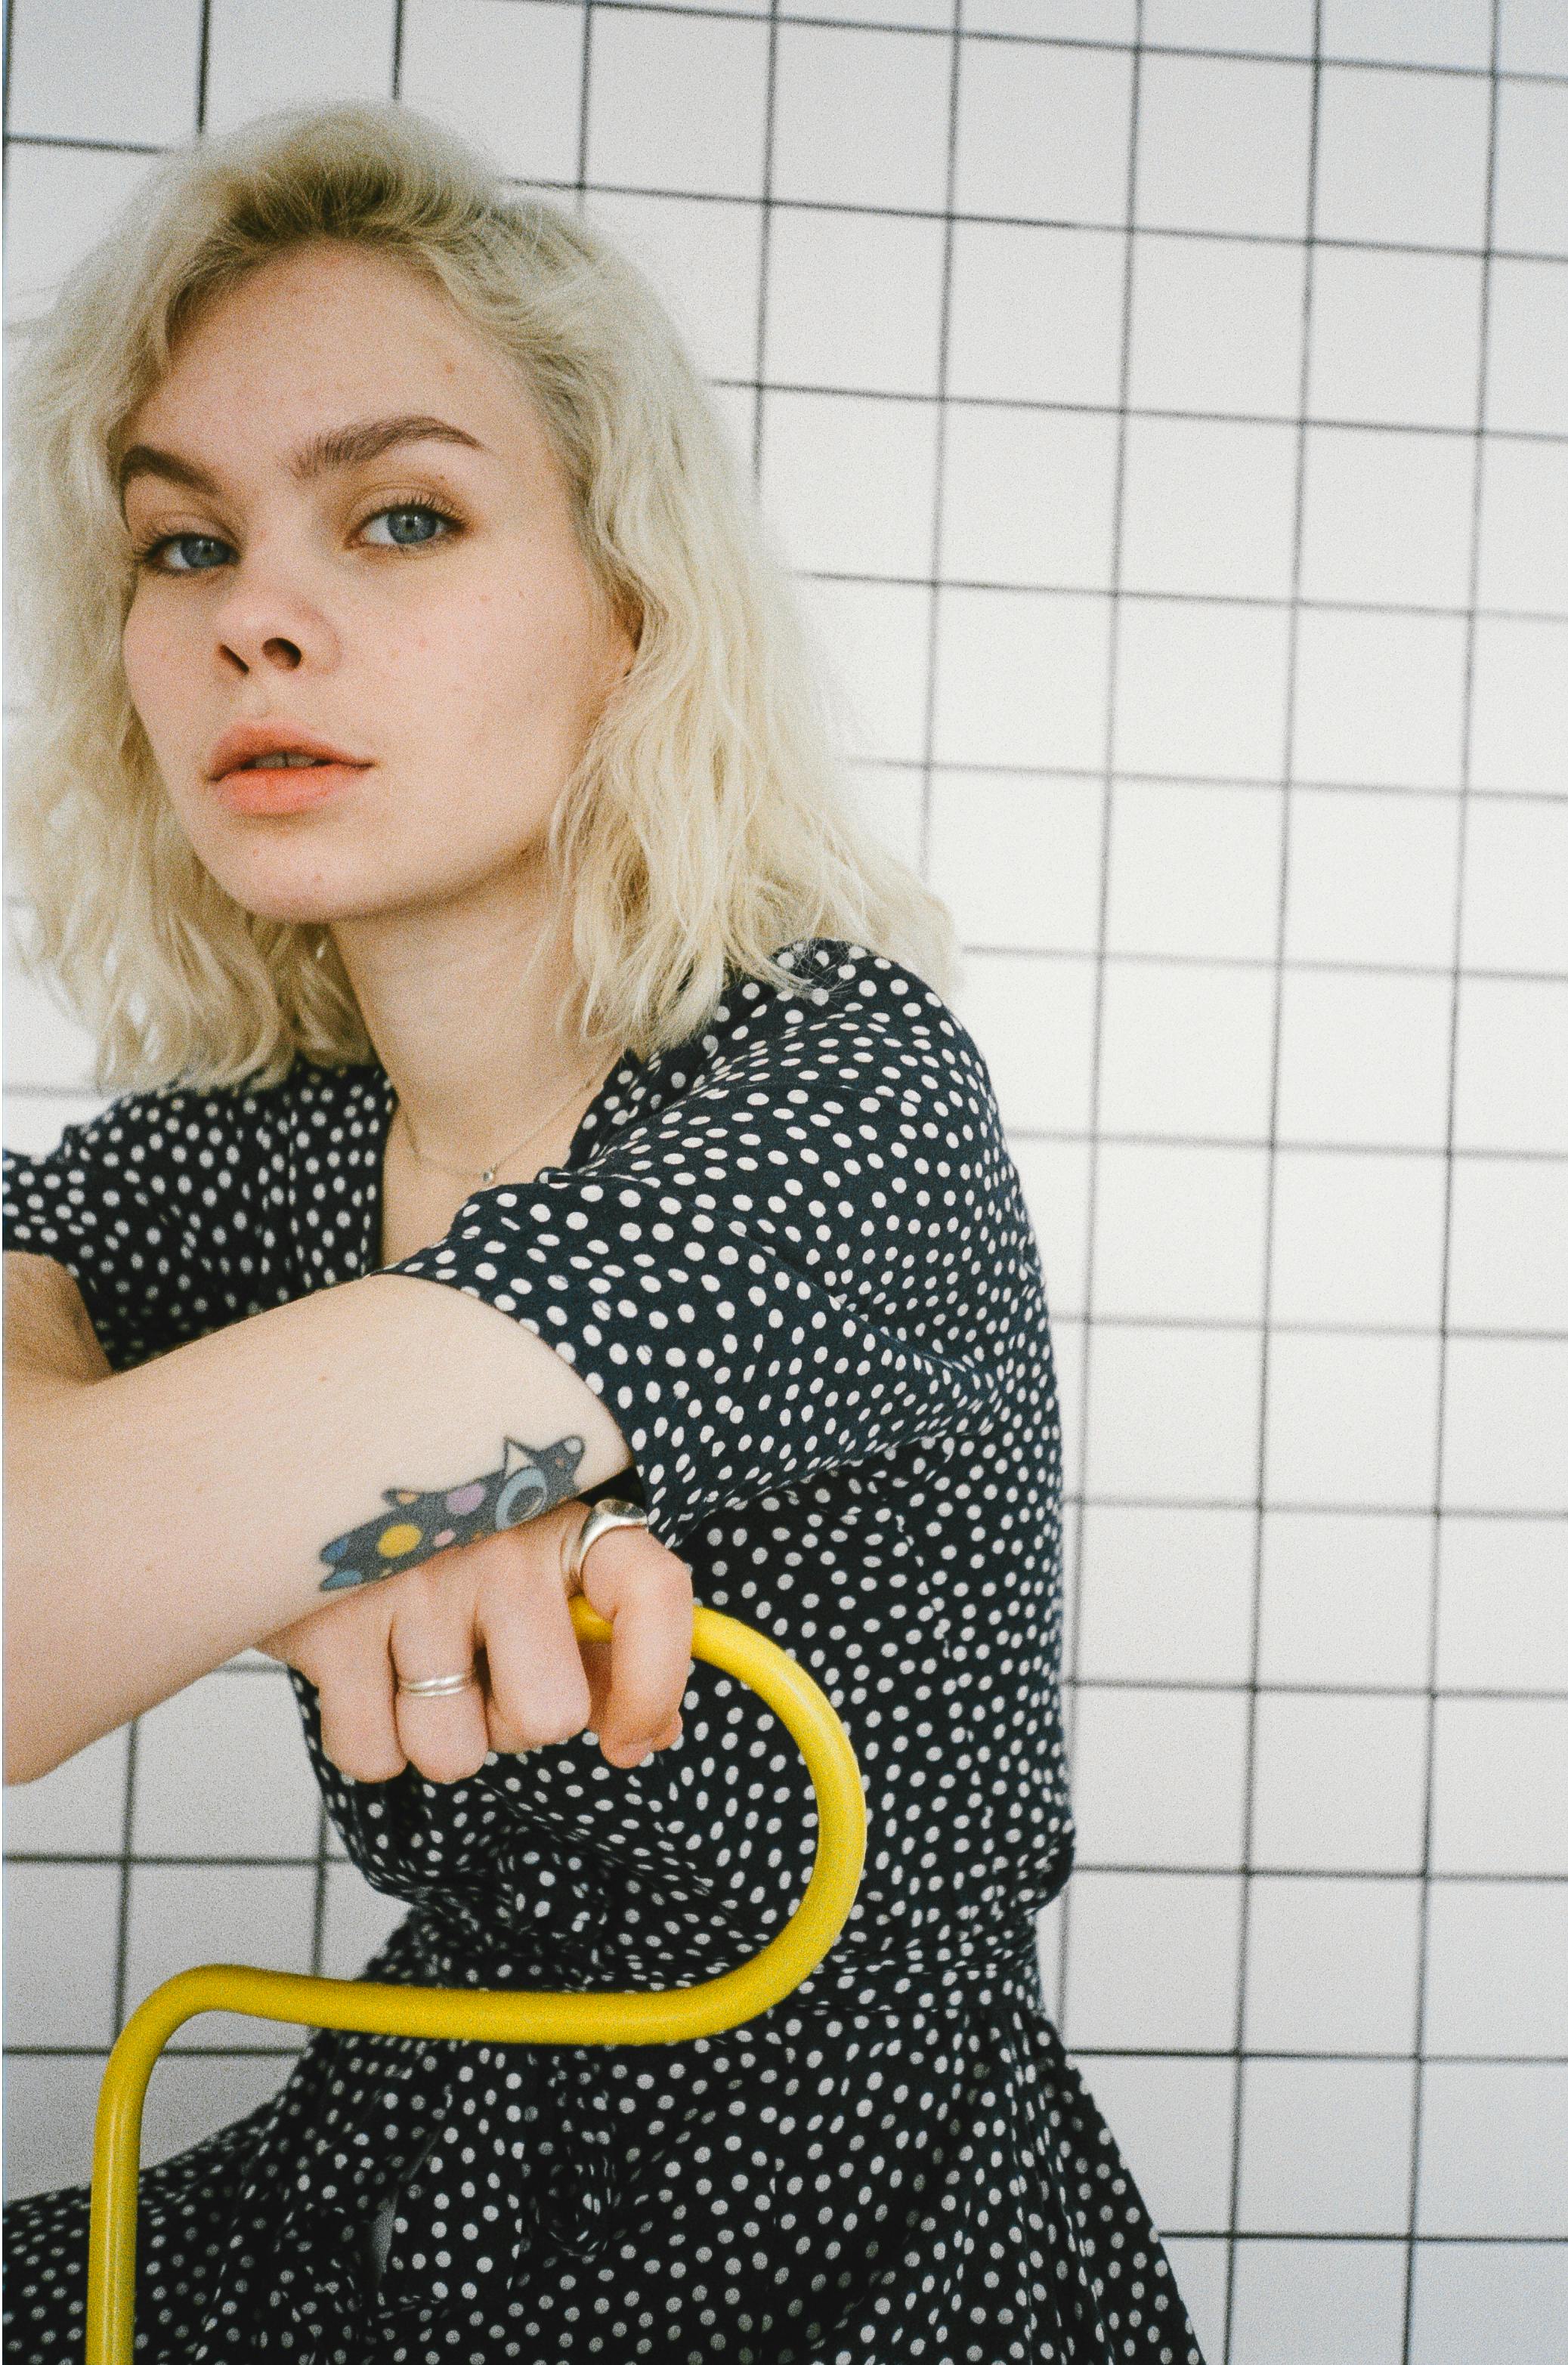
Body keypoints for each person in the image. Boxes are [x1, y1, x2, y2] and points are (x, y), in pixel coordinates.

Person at [1, 100, 1205, 2365]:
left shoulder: (830, 1108)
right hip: (412, 2196)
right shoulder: (279, 1159)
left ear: (627, 611)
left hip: (829, 2284)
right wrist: (355, 1535)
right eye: (181, 548)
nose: (258, 612)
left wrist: (277, 1516)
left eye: (402, 516)